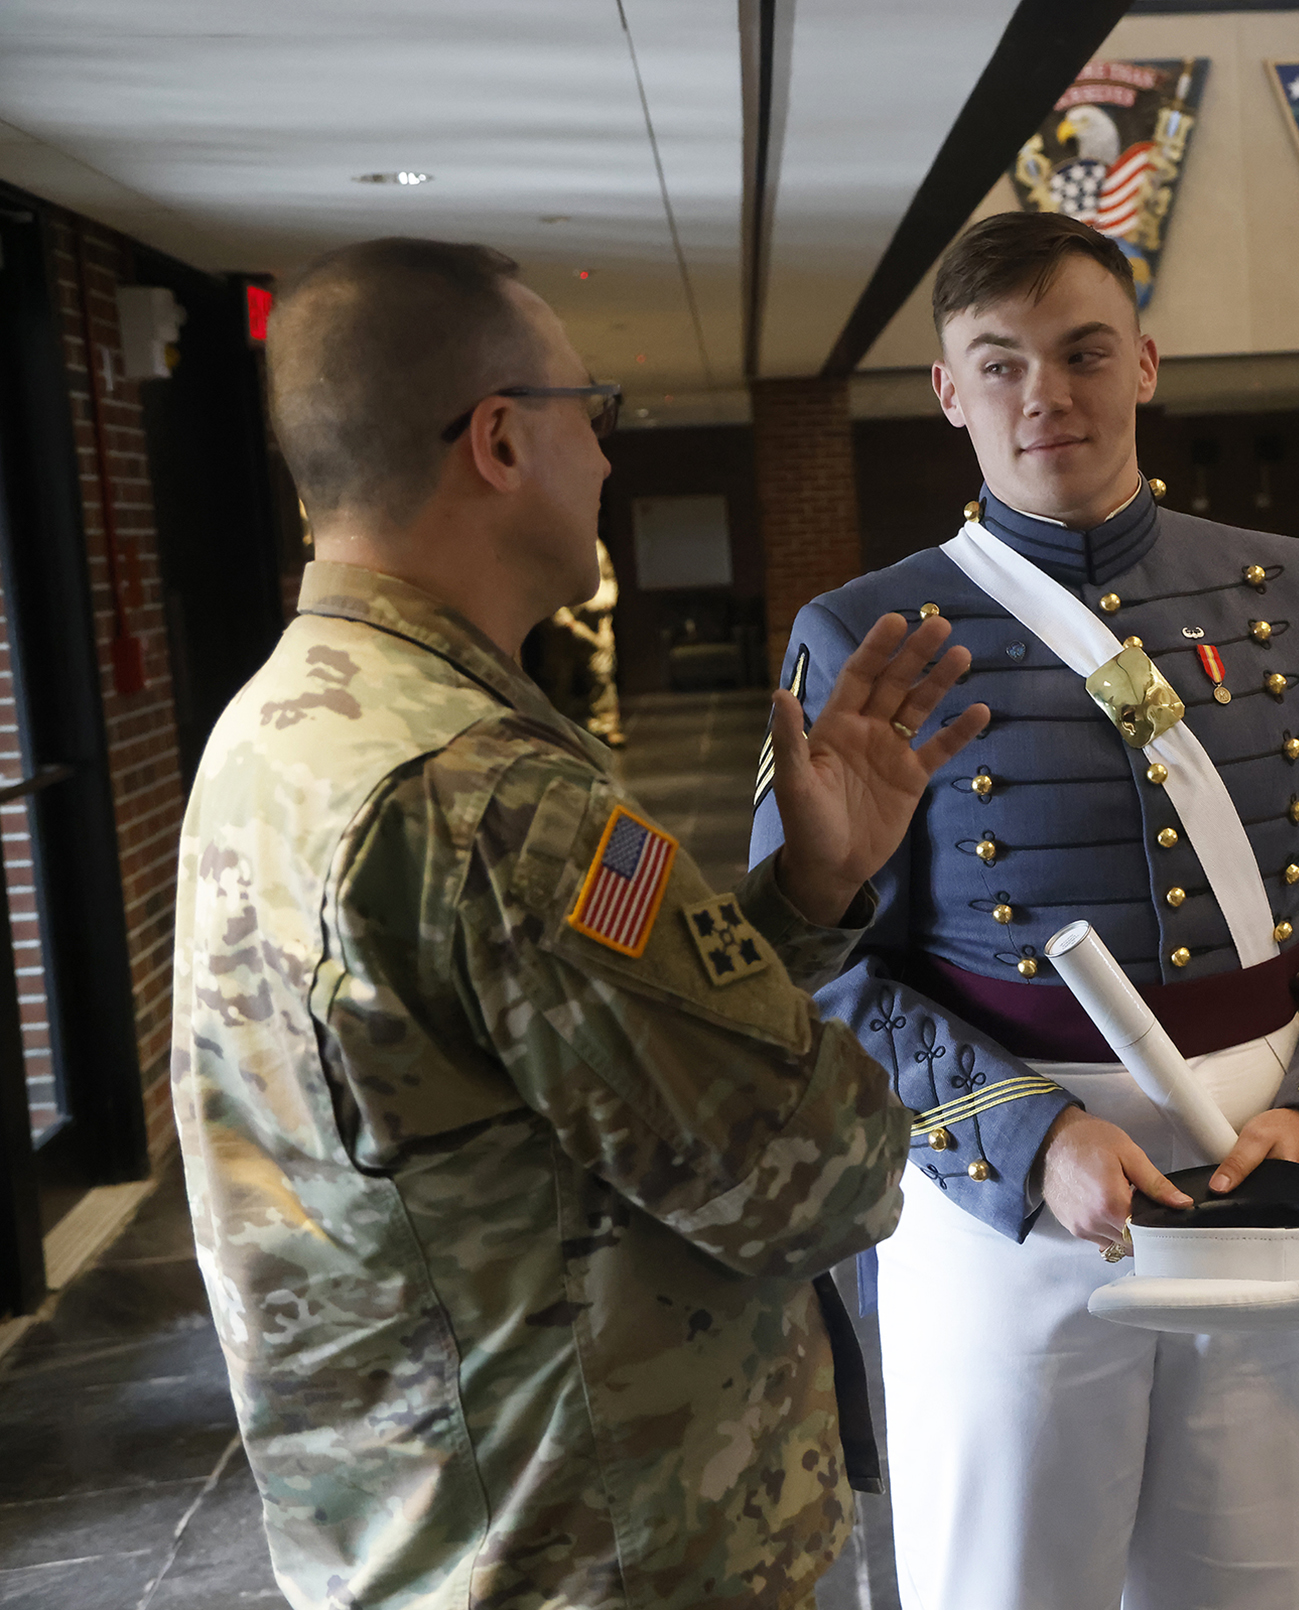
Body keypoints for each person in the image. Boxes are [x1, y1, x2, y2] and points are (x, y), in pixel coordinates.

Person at [171, 237, 988, 1608]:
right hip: (605, 1551)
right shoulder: (492, 797)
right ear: (499, 439)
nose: (604, 456)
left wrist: (803, 902)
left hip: (421, 1531)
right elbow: (812, 1172)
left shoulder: (282, 728)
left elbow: (528, 1089)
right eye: (590, 409)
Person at [748, 211, 1299, 1610]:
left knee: (1253, 1577)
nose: (1045, 395)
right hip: (1002, 1198)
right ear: (949, 392)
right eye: (999, 364)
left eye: (1081, 353)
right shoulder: (859, 634)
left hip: (1258, 1156)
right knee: (1007, 1580)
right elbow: (816, 974)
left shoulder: (1293, 591)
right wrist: (1028, 1138)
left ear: (1145, 362)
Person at [533, 535, 626, 746]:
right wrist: (561, 619)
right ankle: (557, 728)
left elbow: (609, 578)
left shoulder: (595, 545)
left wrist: (606, 601)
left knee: (601, 673)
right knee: (559, 675)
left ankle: (607, 725)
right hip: (563, 620)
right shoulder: (547, 546)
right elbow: (542, 585)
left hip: (596, 619)